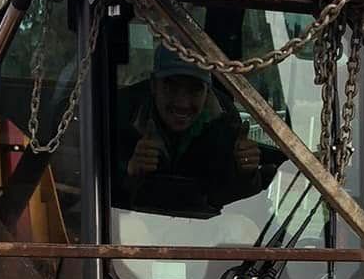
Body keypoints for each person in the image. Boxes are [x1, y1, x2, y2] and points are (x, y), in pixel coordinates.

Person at [113, 46, 274, 216]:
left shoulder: (226, 121)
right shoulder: (118, 113)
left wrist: (245, 172)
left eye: (195, 89)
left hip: (201, 233)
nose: (182, 103)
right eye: (171, 87)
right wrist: (130, 172)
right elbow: (97, 198)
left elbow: (230, 204)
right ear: (153, 84)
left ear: (208, 89)